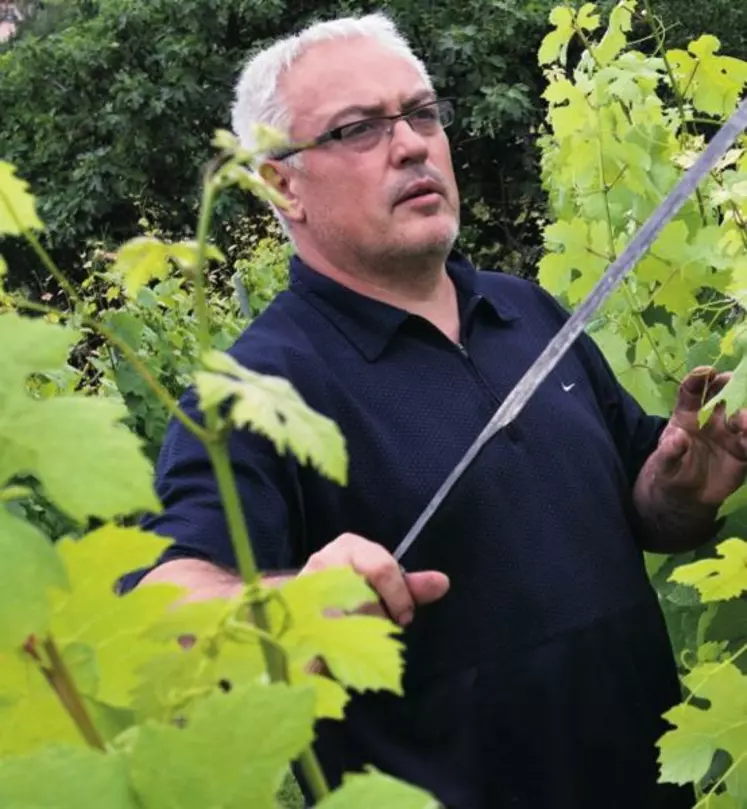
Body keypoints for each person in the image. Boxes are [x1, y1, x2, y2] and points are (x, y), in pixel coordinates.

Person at [120, 12, 747, 809]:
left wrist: (685, 490)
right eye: (357, 128)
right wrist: (288, 603)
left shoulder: (530, 315)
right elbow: (163, 610)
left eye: (420, 113)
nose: (412, 143)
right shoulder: (255, 389)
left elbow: (646, 515)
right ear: (280, 183)